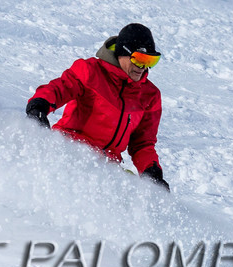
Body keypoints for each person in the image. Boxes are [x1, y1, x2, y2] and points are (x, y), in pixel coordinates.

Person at [26, 23, 170, 189]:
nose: (143, 67)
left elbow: (143, 144)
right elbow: (60, 88)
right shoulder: (91, 72)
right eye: (140, 59)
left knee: (131, 194)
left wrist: (151, 172)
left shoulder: (149, 95)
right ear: (123, 53)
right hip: (69, 151)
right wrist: (39, 105)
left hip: (106, 167)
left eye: (151, 61)